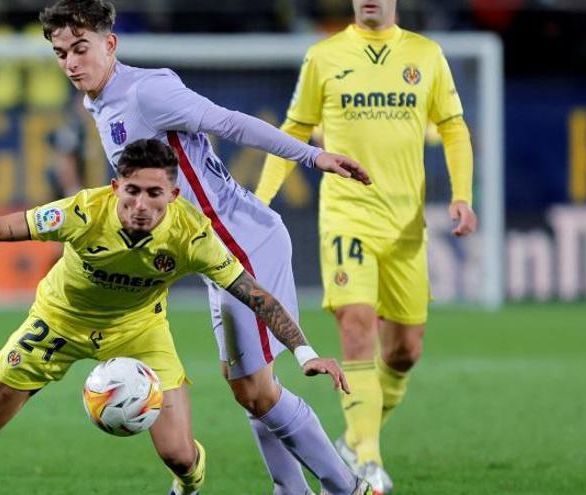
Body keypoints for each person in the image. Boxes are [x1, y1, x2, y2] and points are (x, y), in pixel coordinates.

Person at [40, 2, 373, 494]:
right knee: (250, 387)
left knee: (255, 389)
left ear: (110, 44)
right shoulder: (100, 101)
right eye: (61, 52)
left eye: (80, 48)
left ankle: (348, 488)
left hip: (243, 242)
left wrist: (312, 155)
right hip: (213, 252)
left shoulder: (147, 92)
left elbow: (231, 123)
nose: (70, 62)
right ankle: (294, 489)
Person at [0, 139, 358, 494]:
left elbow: (253, 294)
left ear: (173, 195)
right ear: (115, 187)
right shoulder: (83, 212)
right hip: (58, 322)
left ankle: (185, 488)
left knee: (181, 455)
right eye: (132, 191)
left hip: (139, 331)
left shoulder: (190, 235)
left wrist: (305, 353)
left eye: (154, 193)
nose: (142, 204)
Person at [255, 1, 478, 493]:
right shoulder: (324, 56)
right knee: (356, 323)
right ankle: (369, 463)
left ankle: (357, 438)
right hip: (346, 217)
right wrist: (262, 200)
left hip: (405, 227)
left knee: (404, 352)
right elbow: (293, 130)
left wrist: (462, 194)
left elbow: (453, 127)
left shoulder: (427, 55)